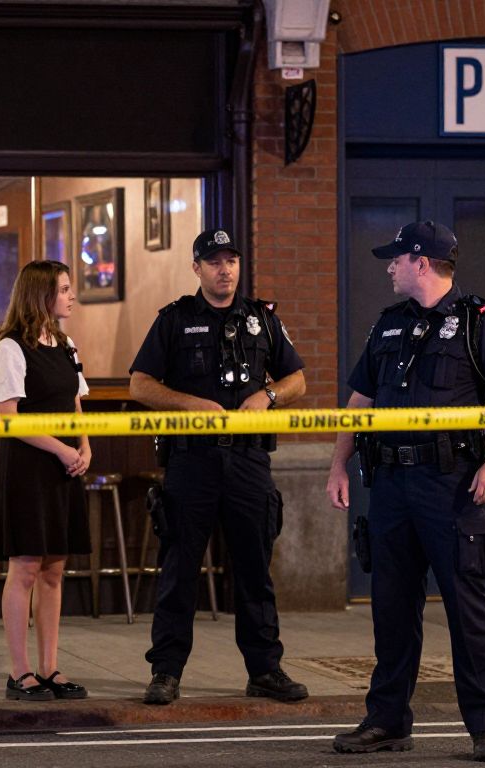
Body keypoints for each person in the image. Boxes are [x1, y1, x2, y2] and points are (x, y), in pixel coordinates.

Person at [325, 221, 485, 763]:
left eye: (396, 259)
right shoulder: (388, 326)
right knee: (391, 610)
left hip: (454, 486)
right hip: (391, 485)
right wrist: (337, 466)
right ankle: (388, 721)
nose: (389, 267)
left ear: (421, 261)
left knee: (468, 609)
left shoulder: (478, 322)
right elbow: (358, 402)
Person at [129, 228, 309, 705]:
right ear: (197, 268)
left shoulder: (262, 319)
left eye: (230, 260)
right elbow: (140, 385)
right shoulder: (174, 319)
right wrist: (189, 403)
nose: (224, 269)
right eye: (213, 261)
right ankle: (166, 671)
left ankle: (265, 670)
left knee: (255, 568)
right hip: (192, 460)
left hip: (249, 459)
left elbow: (297, 379)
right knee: (179, 569)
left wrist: (266, 395)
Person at [0, 259, 92, 702]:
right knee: (25, 566)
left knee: (54, 569)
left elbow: (76, 403)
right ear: (42, 295)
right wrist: (62, 448)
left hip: (65, 465)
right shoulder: (9, 348)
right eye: (64, 289)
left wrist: (85, 446)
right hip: (29, 467)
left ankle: (50, 668)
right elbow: (8, 421)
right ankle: (20, 672)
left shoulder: (66, 344)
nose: (71, 296)